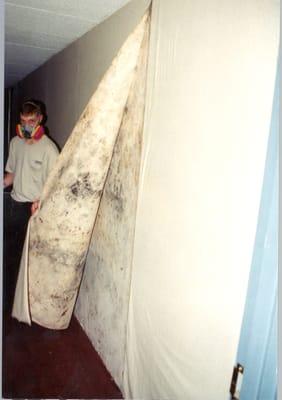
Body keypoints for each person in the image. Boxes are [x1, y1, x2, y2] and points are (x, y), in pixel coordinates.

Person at [3, 99, 59, 310]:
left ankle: (30, 307)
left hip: (34, 212)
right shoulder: (15, 143)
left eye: (31, 121)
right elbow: (11, 175)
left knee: (29, 263)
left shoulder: (49, 149)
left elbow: (54, 186)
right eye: (23, 120)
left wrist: (40, 202)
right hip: (14, 207)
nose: (26, 125)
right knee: (8, 257)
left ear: (40, 120)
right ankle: (8, 306)